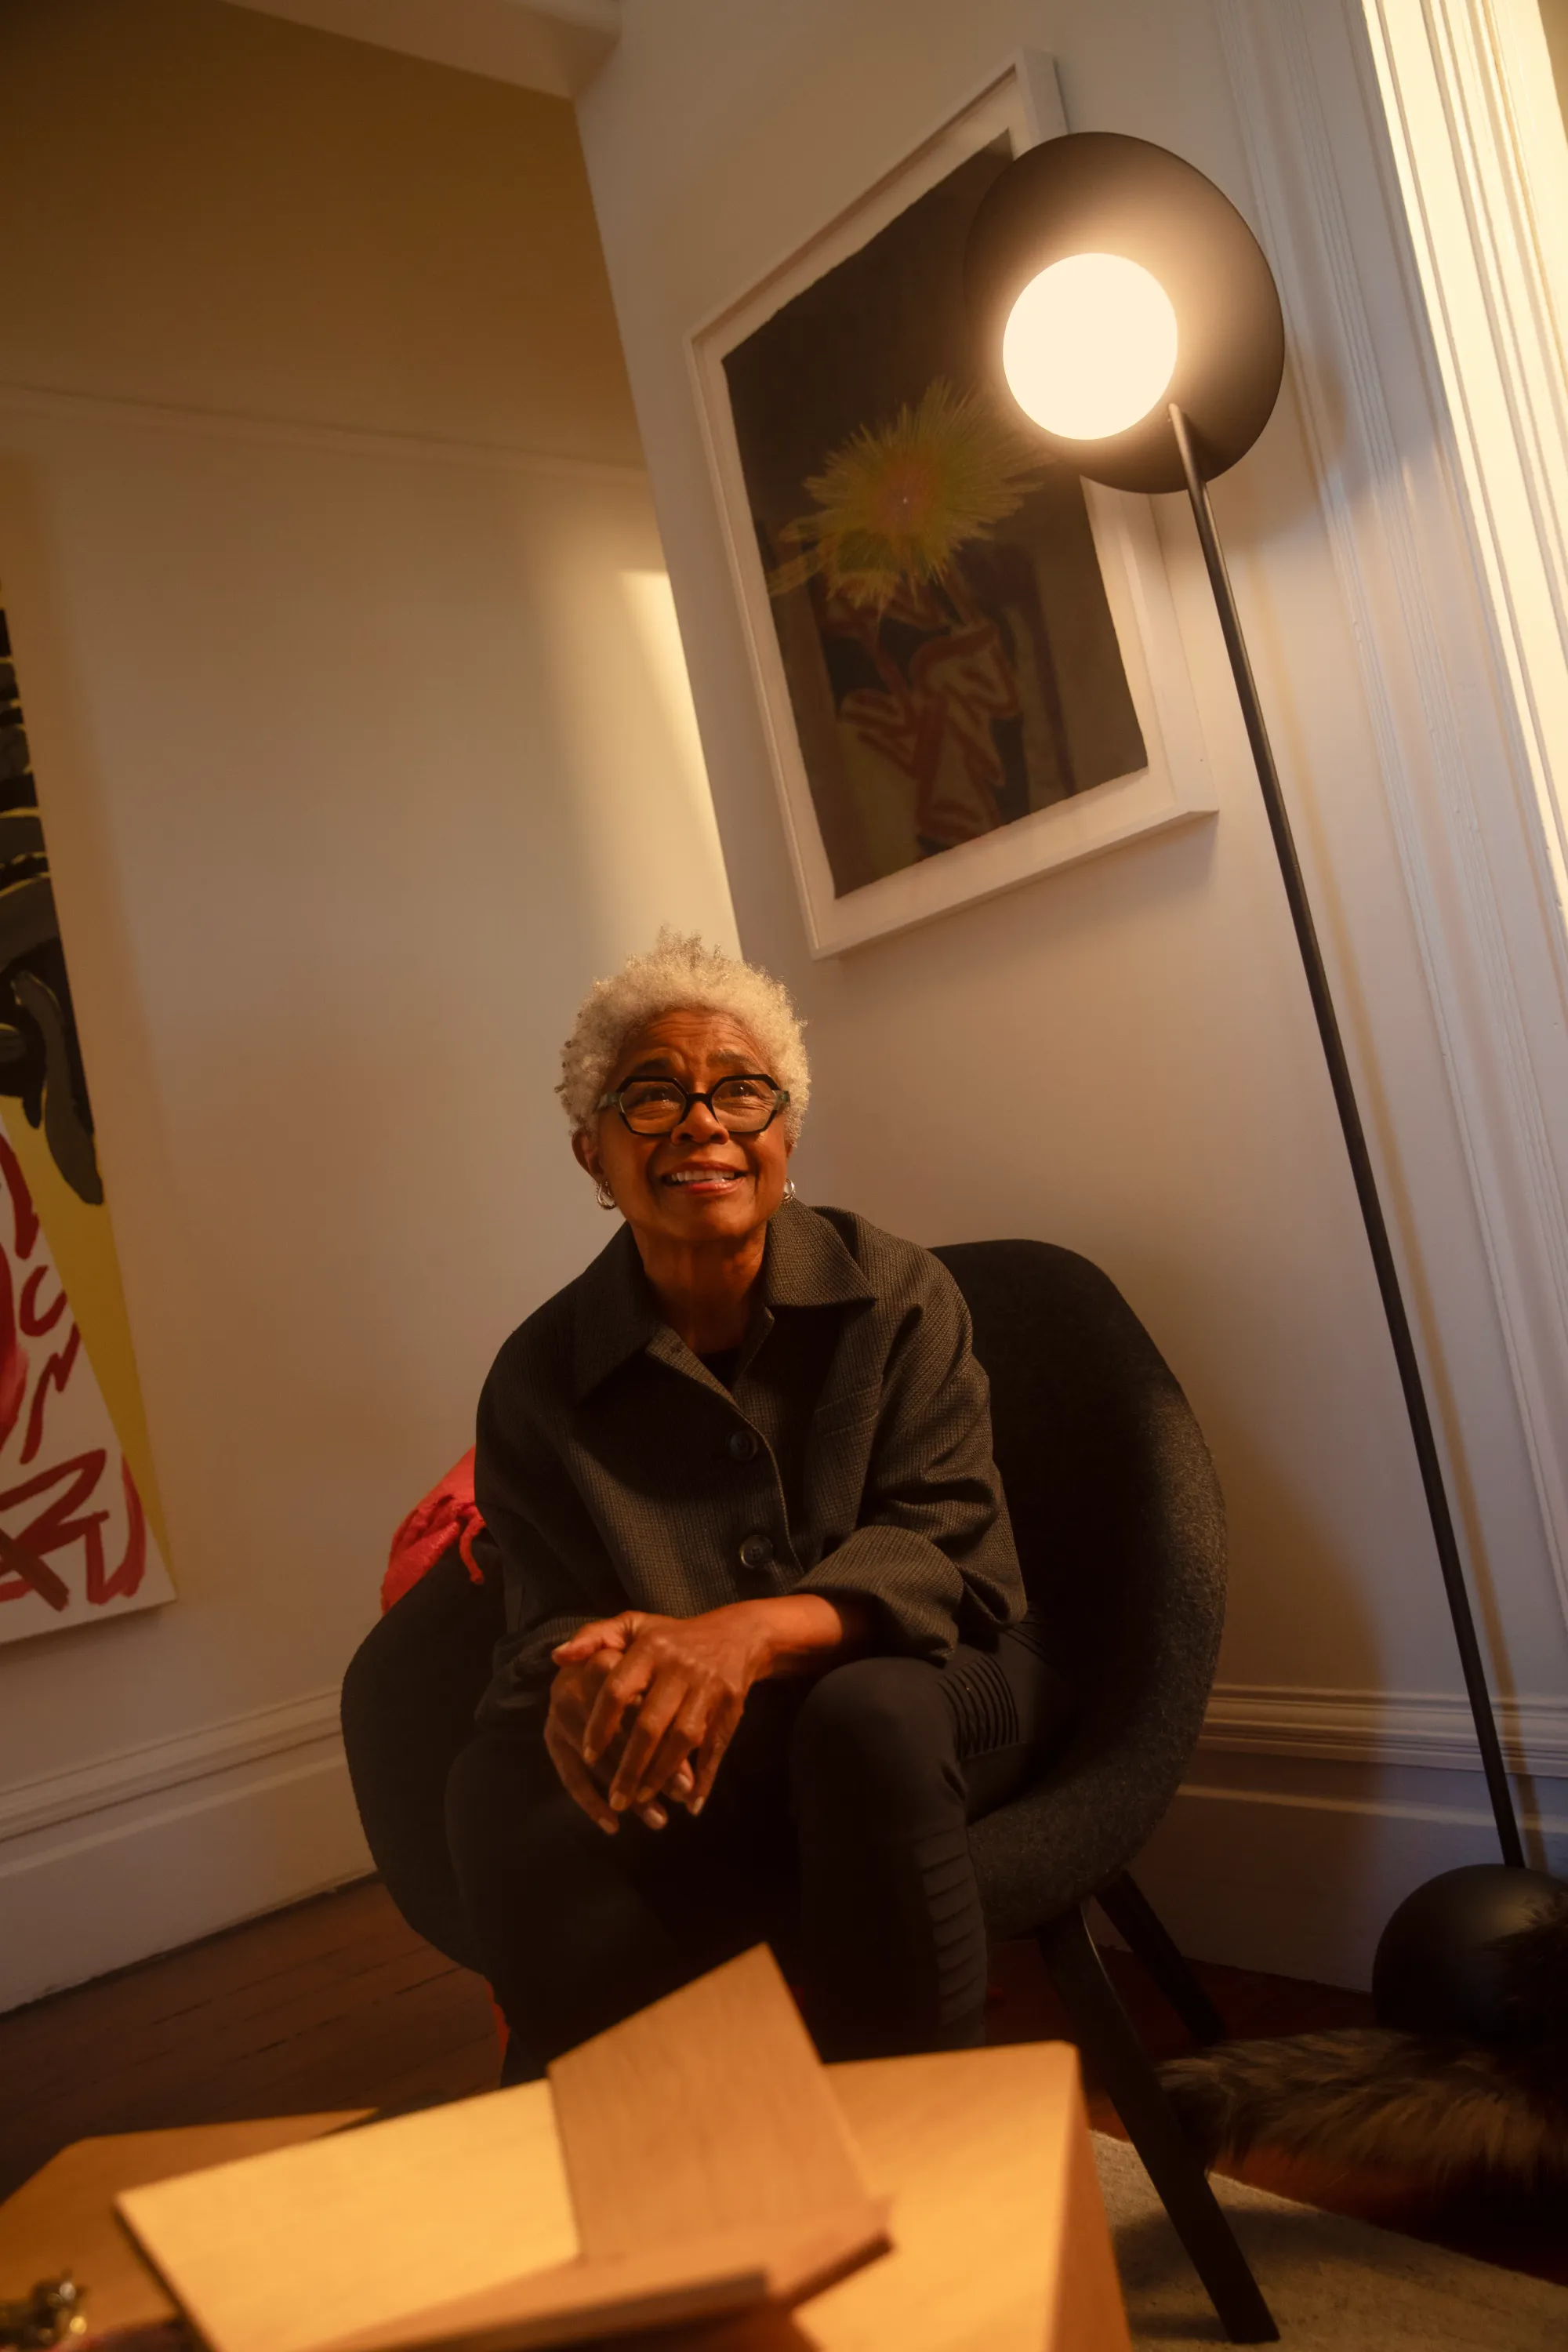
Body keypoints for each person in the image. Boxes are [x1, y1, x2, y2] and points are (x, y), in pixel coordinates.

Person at [351, 931, 1073, 2077]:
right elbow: (543, 1620)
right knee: (501, 1787)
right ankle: (682, 2151)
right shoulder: (539, 1376)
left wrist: (740, 1639)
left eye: (741, 1090)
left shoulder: (898, 1295)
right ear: (592, 1154)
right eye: (652, 1097)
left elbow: (949, 1549)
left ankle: (921, 2151)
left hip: (943, 1674)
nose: (702, 1122)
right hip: (712, 1747)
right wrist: (586, 1681)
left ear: (785, 1132)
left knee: (866, 1723)